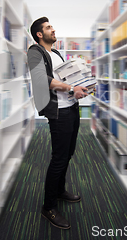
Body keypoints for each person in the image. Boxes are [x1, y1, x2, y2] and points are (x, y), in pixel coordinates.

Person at [27, 17, 89, 230]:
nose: (53, 30)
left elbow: (64, 78)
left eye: (52, 27)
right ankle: (49, 206)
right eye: (48, 28)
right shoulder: (35, 52)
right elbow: (42, 78)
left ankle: (60, 190)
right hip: (59, 113)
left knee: (69, 153)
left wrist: (80, 87)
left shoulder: (56, 53)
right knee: (59, 158)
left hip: (71, 108)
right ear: (39, 34)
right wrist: (71, 88)